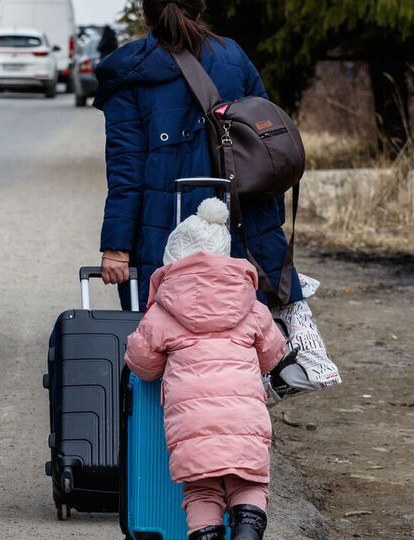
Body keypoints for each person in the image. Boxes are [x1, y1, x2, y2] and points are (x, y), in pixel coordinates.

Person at [92, 0, 303, 310]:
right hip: (240, 222)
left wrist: (116, 248)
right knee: (240, 329)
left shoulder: (130, 71)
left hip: (163, 231)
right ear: (200, 9)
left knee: (165, 333)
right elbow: (266, 143)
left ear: (145, 13)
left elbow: (126, 169)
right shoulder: (233, 56)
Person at [125, 198, 286, 540]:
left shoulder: (163, 312)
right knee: (250, 482)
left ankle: (206, 534)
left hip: (192, 424)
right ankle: (247, 531)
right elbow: (273, 354)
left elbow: (143, 365)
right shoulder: (251, 306)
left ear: (173, 263)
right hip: (244, 419)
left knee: (202, 492)